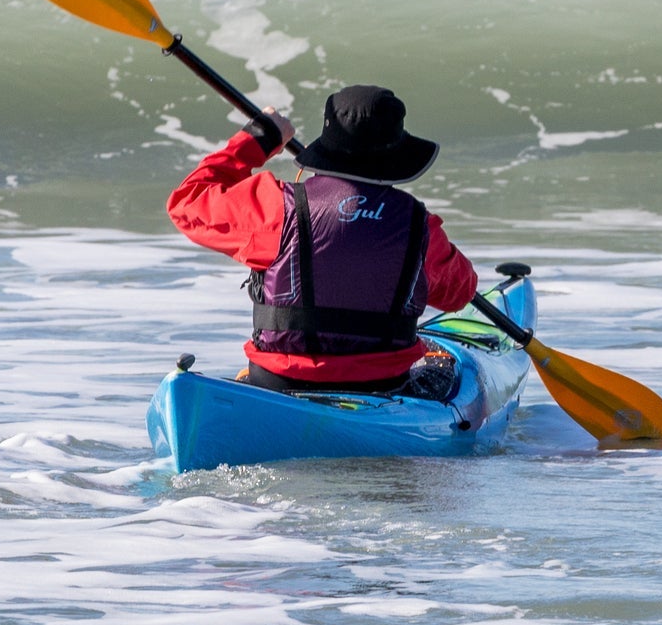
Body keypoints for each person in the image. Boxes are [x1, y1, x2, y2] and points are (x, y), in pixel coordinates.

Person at [166, 83, 478, 393]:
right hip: (381, 388)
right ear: (395, 155)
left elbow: (187, 202)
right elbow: (459, 293)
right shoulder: (418, 225)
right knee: (442, 365)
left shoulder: (277, 207)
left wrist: (260, 137)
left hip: (278, 384)